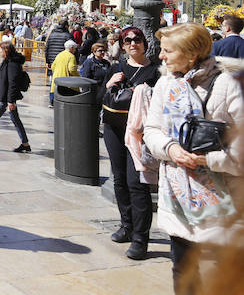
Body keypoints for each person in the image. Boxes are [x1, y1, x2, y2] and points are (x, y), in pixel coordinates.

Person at [144, 23, 244, 293]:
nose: (161, 56)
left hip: (225, 201)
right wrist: (171, 149)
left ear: (191, 54)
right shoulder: (166, 82)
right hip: (178, 197)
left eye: (167, 51)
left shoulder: (227, 84)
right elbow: (151, 130)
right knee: (183, 270)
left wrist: (207, 160)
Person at [103, 26, 159, 260]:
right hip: (114, 127)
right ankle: (127, 226)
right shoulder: (117, 68)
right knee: (119, 180)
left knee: (137, 183)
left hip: (139, 133)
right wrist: (108, 85)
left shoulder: (155, 72)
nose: (133, 43)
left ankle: (140, 239)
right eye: (128, 40)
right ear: (123, 45)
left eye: (137, 40)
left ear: (144, 43)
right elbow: (101, 98)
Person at [45, 20, 74, 106]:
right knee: (64, 81)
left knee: (54, 81)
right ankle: (61, 99)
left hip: (53, 60)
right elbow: (72, 48)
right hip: (64, 60)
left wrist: (47, 61)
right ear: (66, 26)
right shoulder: (67, 35)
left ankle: (52, 100)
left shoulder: (52, 35)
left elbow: (47, 48)